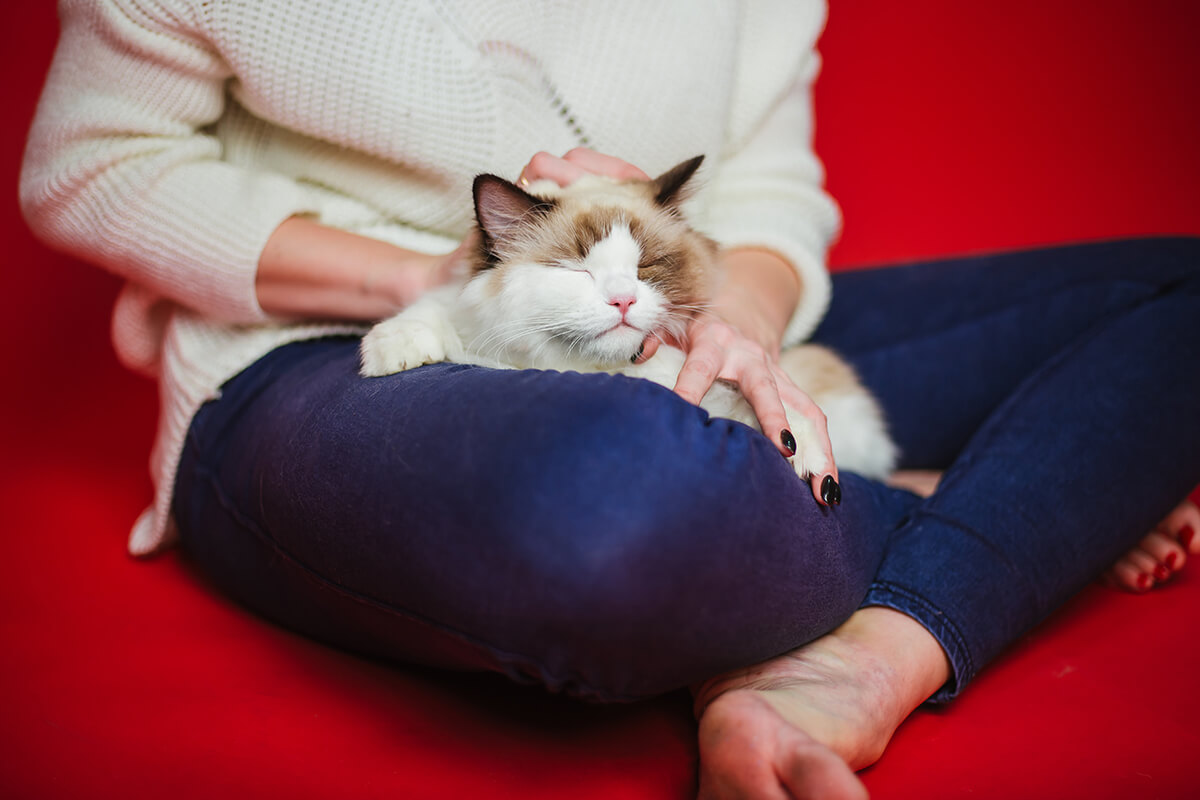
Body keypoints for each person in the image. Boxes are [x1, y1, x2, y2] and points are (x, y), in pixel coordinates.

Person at [20, 1, 1199, 797]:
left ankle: (872, 645)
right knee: (614, 500)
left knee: (1180, 293)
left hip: (668, 290)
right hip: (341, 345)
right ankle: (1015, 506)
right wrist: (436, 279)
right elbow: (89, 162)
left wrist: (734, 317)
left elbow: (770, 182)